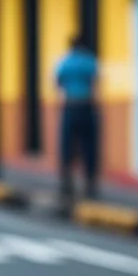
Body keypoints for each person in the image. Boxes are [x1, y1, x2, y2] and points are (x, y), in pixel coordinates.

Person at [56, 35, 100, 201]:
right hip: (87, 105)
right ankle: (90, 183)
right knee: (89, 145)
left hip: (70, 105)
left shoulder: (65, 62)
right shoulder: (89, 61)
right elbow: (96, 80)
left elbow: (58, 81)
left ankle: (66, 182)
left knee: (67, 144)